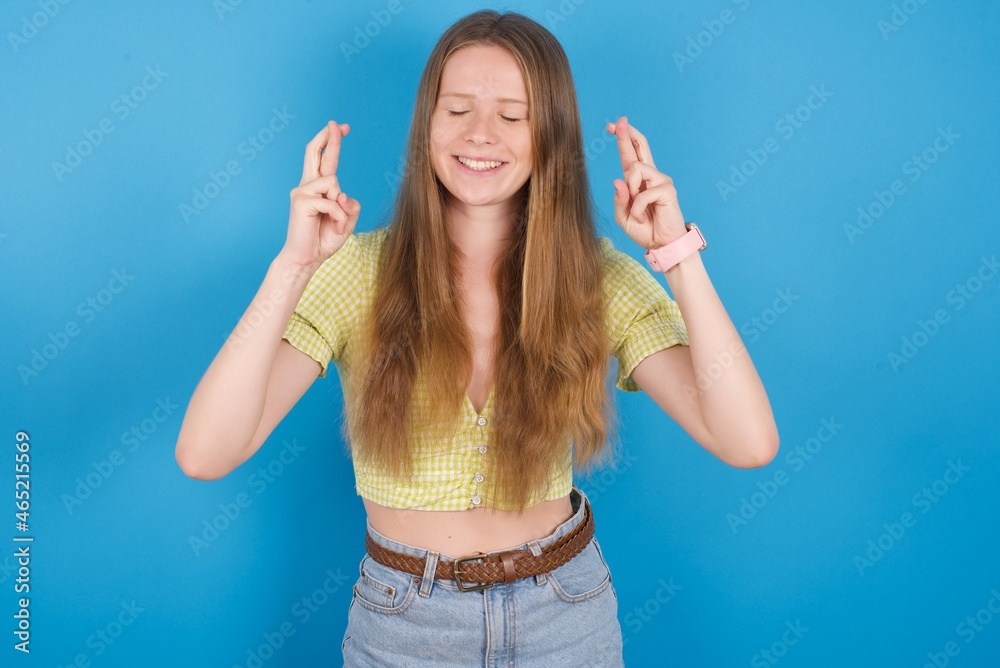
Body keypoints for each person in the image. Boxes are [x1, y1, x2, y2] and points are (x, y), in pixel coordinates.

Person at [175, 9, 778, 666]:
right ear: (426, 126)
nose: (480, 135)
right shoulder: (354, 272)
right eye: (456, 110)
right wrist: (293, 267)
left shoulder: (597, 277)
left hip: (566, 615)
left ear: (549, 134)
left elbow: (746, 442)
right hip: (405, 623)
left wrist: (677, 252)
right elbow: (207, 453)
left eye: (512, 116)